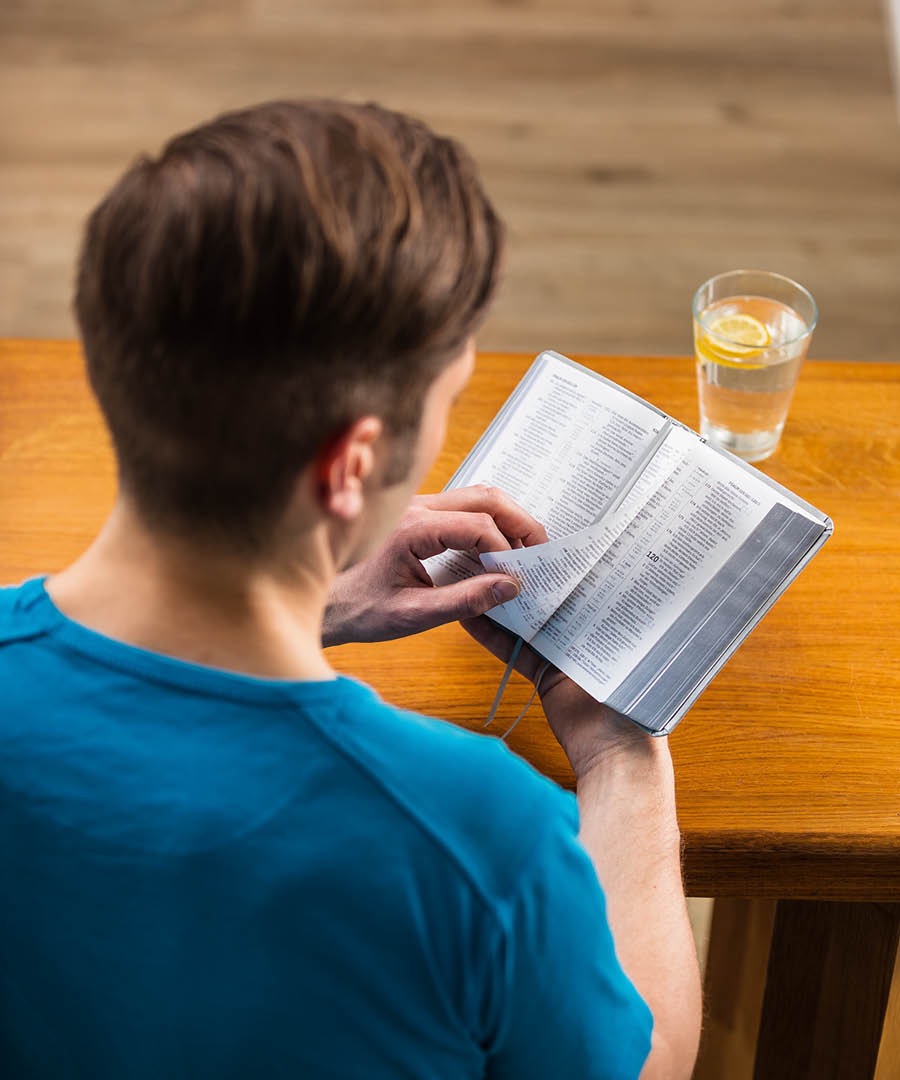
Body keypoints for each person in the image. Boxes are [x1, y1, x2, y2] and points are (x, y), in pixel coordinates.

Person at [0, 100, 701, 1078]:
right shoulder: (479, 837)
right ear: (352, 465)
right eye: (447, 399)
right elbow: (644, 1065)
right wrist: (622, 753)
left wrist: (311, 601)